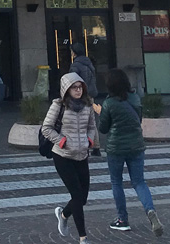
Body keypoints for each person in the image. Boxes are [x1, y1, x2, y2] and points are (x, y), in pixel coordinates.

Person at [98, 68, 163, 236]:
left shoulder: (109, 103)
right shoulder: (135, 98)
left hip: (116, 148)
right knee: (139, 182)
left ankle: (122, 219)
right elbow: (138, 120)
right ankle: (150, 210)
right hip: (136, 145)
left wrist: (100, 112)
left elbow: (103, 128)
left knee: (116, 182)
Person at [41, 72, 97, 242]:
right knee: (77, 196)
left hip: (82, 155)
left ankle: (63, 214)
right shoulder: (59, 105)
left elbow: (92, 126)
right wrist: (61, 141)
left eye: (80, 87)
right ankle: (83, 237)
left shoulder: (88, 105)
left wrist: (89, 140)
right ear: (66, 89)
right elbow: (46, 128)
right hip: (63, 155)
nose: (78, 90)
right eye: (74, 88)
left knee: (83, 197)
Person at [70, 41, 100, 154]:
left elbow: (73, 81)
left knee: (80, 122)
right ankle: (96, 146)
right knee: (91, 122)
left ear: (75, 52)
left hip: (80, 96)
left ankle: (84, 147)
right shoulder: (89, 63)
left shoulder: (76, 65)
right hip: (90, 94)